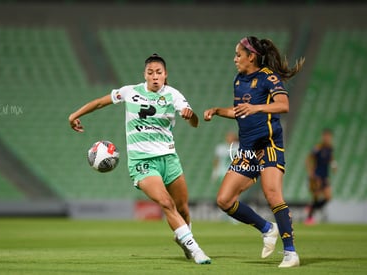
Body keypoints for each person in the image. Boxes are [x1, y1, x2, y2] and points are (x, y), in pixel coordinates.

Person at [68, 54, 211, 264]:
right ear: (144, 74)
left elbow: (195, 123)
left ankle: (184, 240)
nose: (155, 77)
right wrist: (74, 115)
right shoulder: (130, 92)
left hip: (169, 158)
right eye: (150, 72)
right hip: (142, 161)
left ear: (165, 74)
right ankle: (196, 249)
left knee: (182, 209)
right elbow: (100, 102)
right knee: (166, 203)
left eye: (159, 73)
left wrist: (191, 116)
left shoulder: (173, 95)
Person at [204, 36, 304, 268]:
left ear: (251, 57)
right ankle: (267, 228)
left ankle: (290, 253)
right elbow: (240, 111)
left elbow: (283, 105)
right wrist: (219, 110)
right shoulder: (239, 80)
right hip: (247, 149)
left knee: (272, 194)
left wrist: (257, 107)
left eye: (238, 55)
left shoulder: (268, 77)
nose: (235, 59)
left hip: (268, 145)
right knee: (224, 199)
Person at [305, 128, 336, 225]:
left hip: (325, 176)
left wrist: (334, 164)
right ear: (323, 137)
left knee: (328, 197)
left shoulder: (330, 148)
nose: (327, 138)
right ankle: (309, 218)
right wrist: (311, 172)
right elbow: (308, 159)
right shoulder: (318, 147)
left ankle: (312, 207)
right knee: (316, 196)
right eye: (325, 136)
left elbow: (330, 158)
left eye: (329, 137)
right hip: (317, 175)